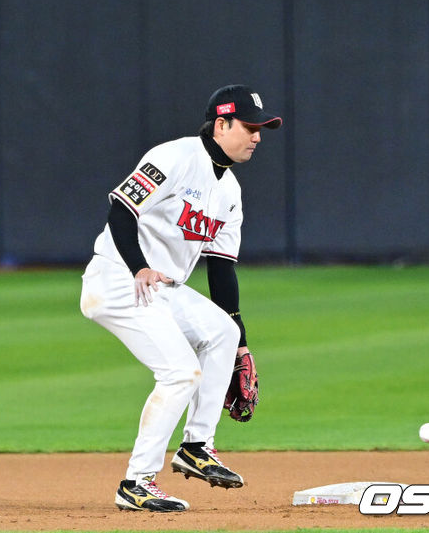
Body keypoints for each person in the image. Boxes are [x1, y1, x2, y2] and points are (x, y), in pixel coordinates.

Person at [79, 84, 281, 512]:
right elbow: (121, 210)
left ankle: (195, 448)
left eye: (262, 128)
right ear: (221, 123)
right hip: (118, 280)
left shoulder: (231, 193)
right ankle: (136, 482)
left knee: (223, 333)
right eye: (249, 127)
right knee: (180, 373)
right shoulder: (174, 156)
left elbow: (222, 269)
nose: (258, 136)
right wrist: (138, 266)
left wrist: (242, 345)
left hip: (163, 289)